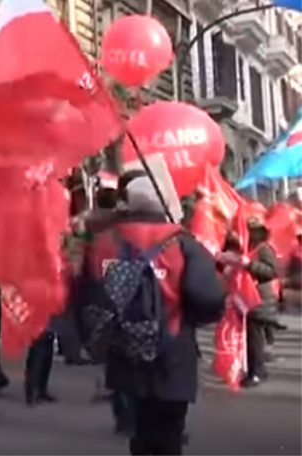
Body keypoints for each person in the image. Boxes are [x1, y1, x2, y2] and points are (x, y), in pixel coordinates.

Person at [76, 176, 225, 455]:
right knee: (169, 431)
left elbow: (85, 294)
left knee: (140, 430)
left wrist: (91, 340)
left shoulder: (102, 242)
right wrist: (190, 317)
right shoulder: (183, 242)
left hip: (123, 348)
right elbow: (208, 297)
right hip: (172, 347)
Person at [223, 216, 282, 388]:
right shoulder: (245, 248)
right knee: (248, 336)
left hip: (259, 299)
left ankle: (257, 371)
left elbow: (271, 272)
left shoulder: (263, 249)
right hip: (246, 298)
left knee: (254, 337)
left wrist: (249, 264)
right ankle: (252, 369)